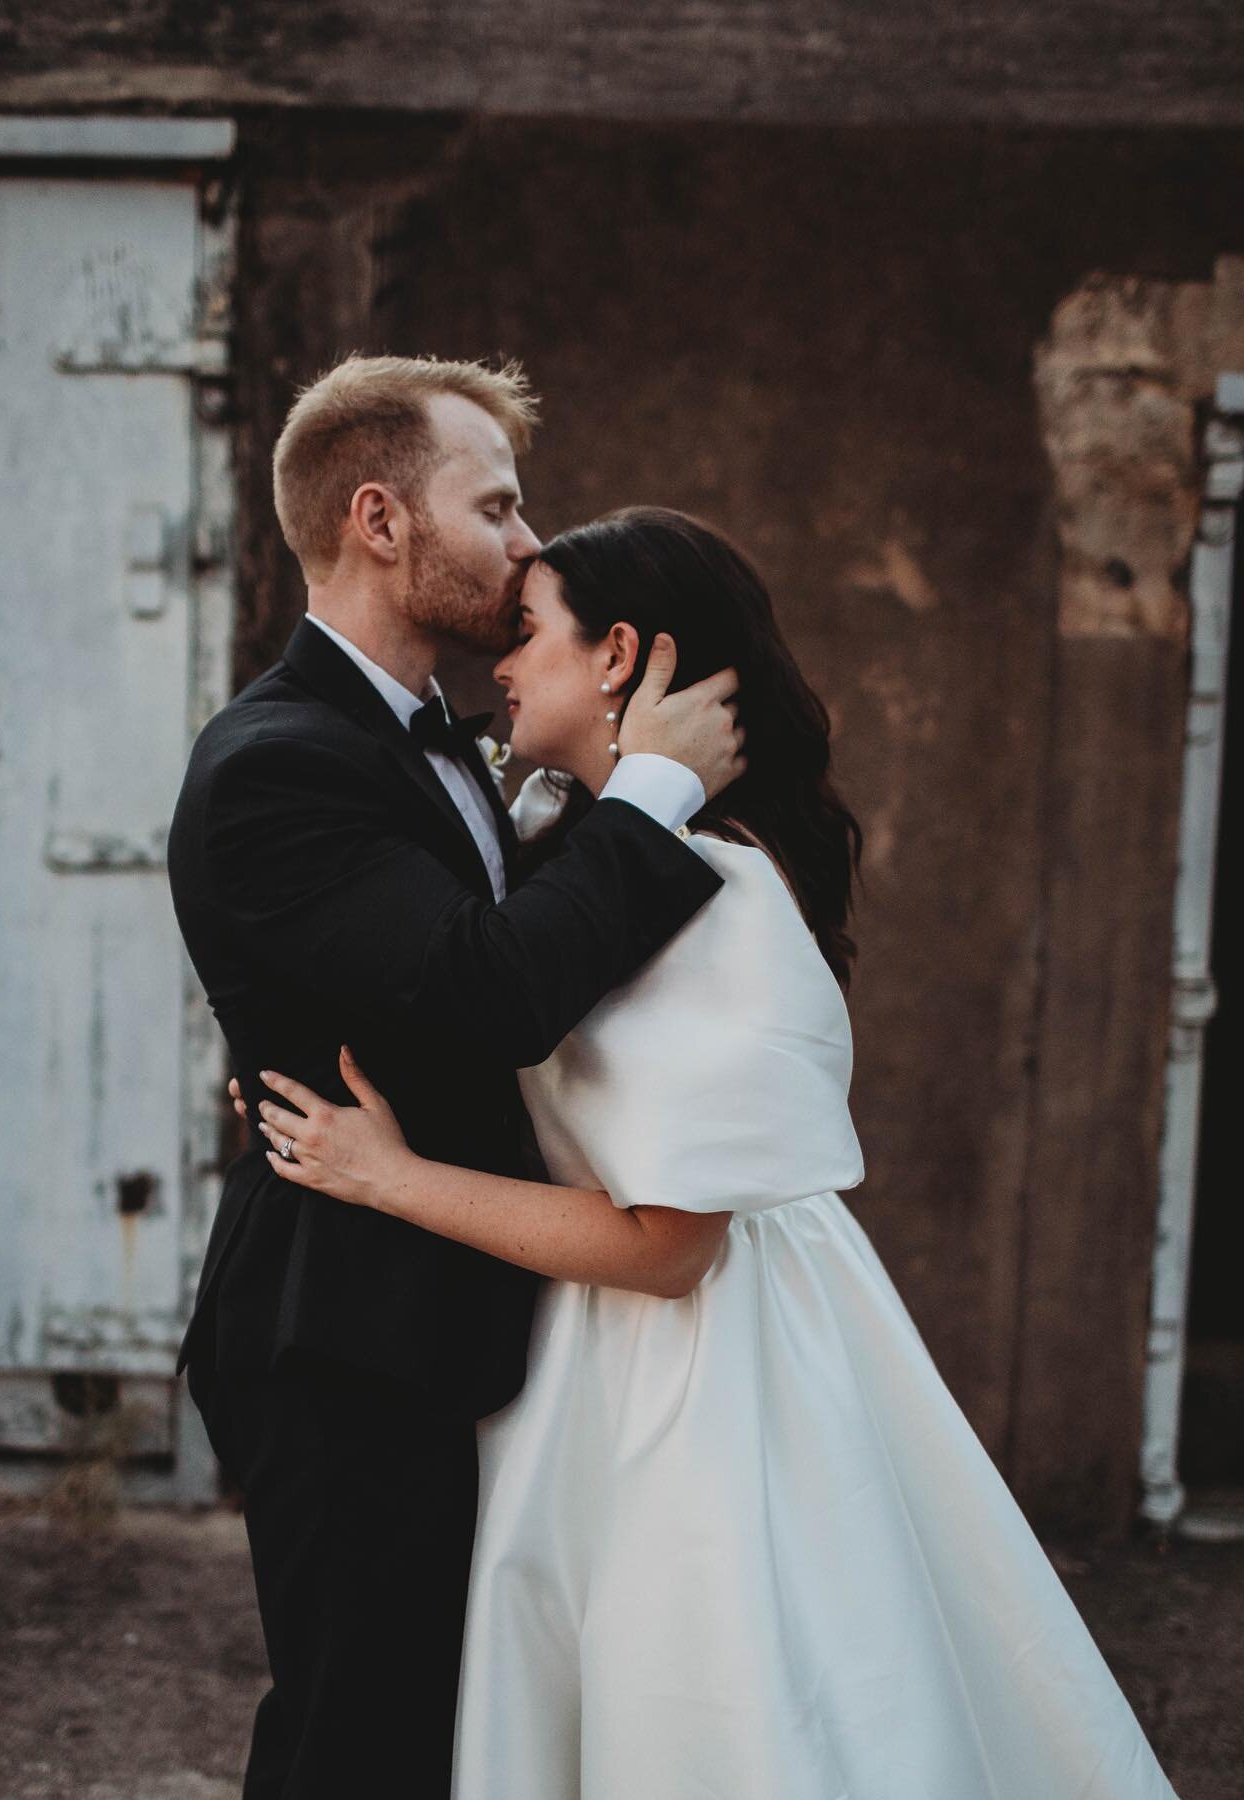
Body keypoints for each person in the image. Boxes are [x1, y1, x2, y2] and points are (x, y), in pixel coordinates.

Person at [247, 508, 1180, 1800]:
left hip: (689, 1388)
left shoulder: (715, 897)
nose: (500, 666)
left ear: (618, 655)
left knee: (706, 1705)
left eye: (528, 634)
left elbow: (674, 1248)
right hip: (598, 1361)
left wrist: (388, 1178)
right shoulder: (619, 867)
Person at [167, 361, 745, 1798]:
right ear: (378, 519)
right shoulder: (274, 764)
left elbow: (458, 971)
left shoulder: (430, 742)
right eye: (495, 505)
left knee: (442, 1728)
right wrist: (657, 792)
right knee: (358, 1738)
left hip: (449, 1304)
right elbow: (491, 992)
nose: (530, 541)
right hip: (345, 1328)